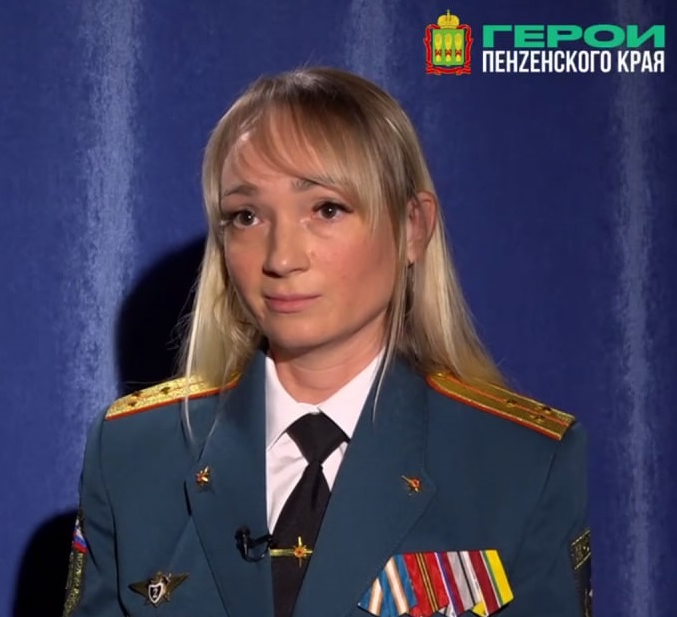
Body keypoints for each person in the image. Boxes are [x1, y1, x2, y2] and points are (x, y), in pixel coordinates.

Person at [63, 67, 591, 617]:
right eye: (246, 216)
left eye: (326, 209)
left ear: (413, 227)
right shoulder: (131, 453)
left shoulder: (523, 463)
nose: (281, 258)